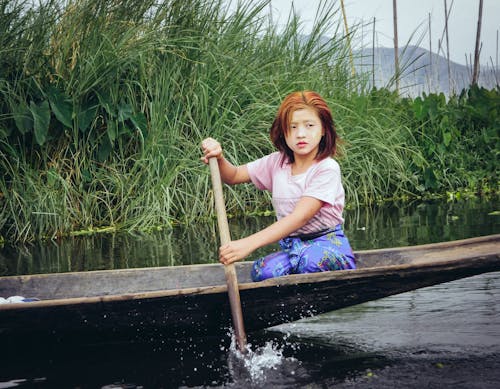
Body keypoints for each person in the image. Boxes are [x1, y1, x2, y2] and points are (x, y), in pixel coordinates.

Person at [201, 90, 356, 281]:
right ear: (284, 131)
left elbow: (300, 217)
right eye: (293, 127)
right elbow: (233, 175)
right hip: (293, 248)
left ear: (323, 129)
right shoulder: (277, 163)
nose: (301, 134)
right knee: (263, 272)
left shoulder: (326, 168)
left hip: (328, 246)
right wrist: (219, 157)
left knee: (308, 261)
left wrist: (248, 244)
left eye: (309, 126)